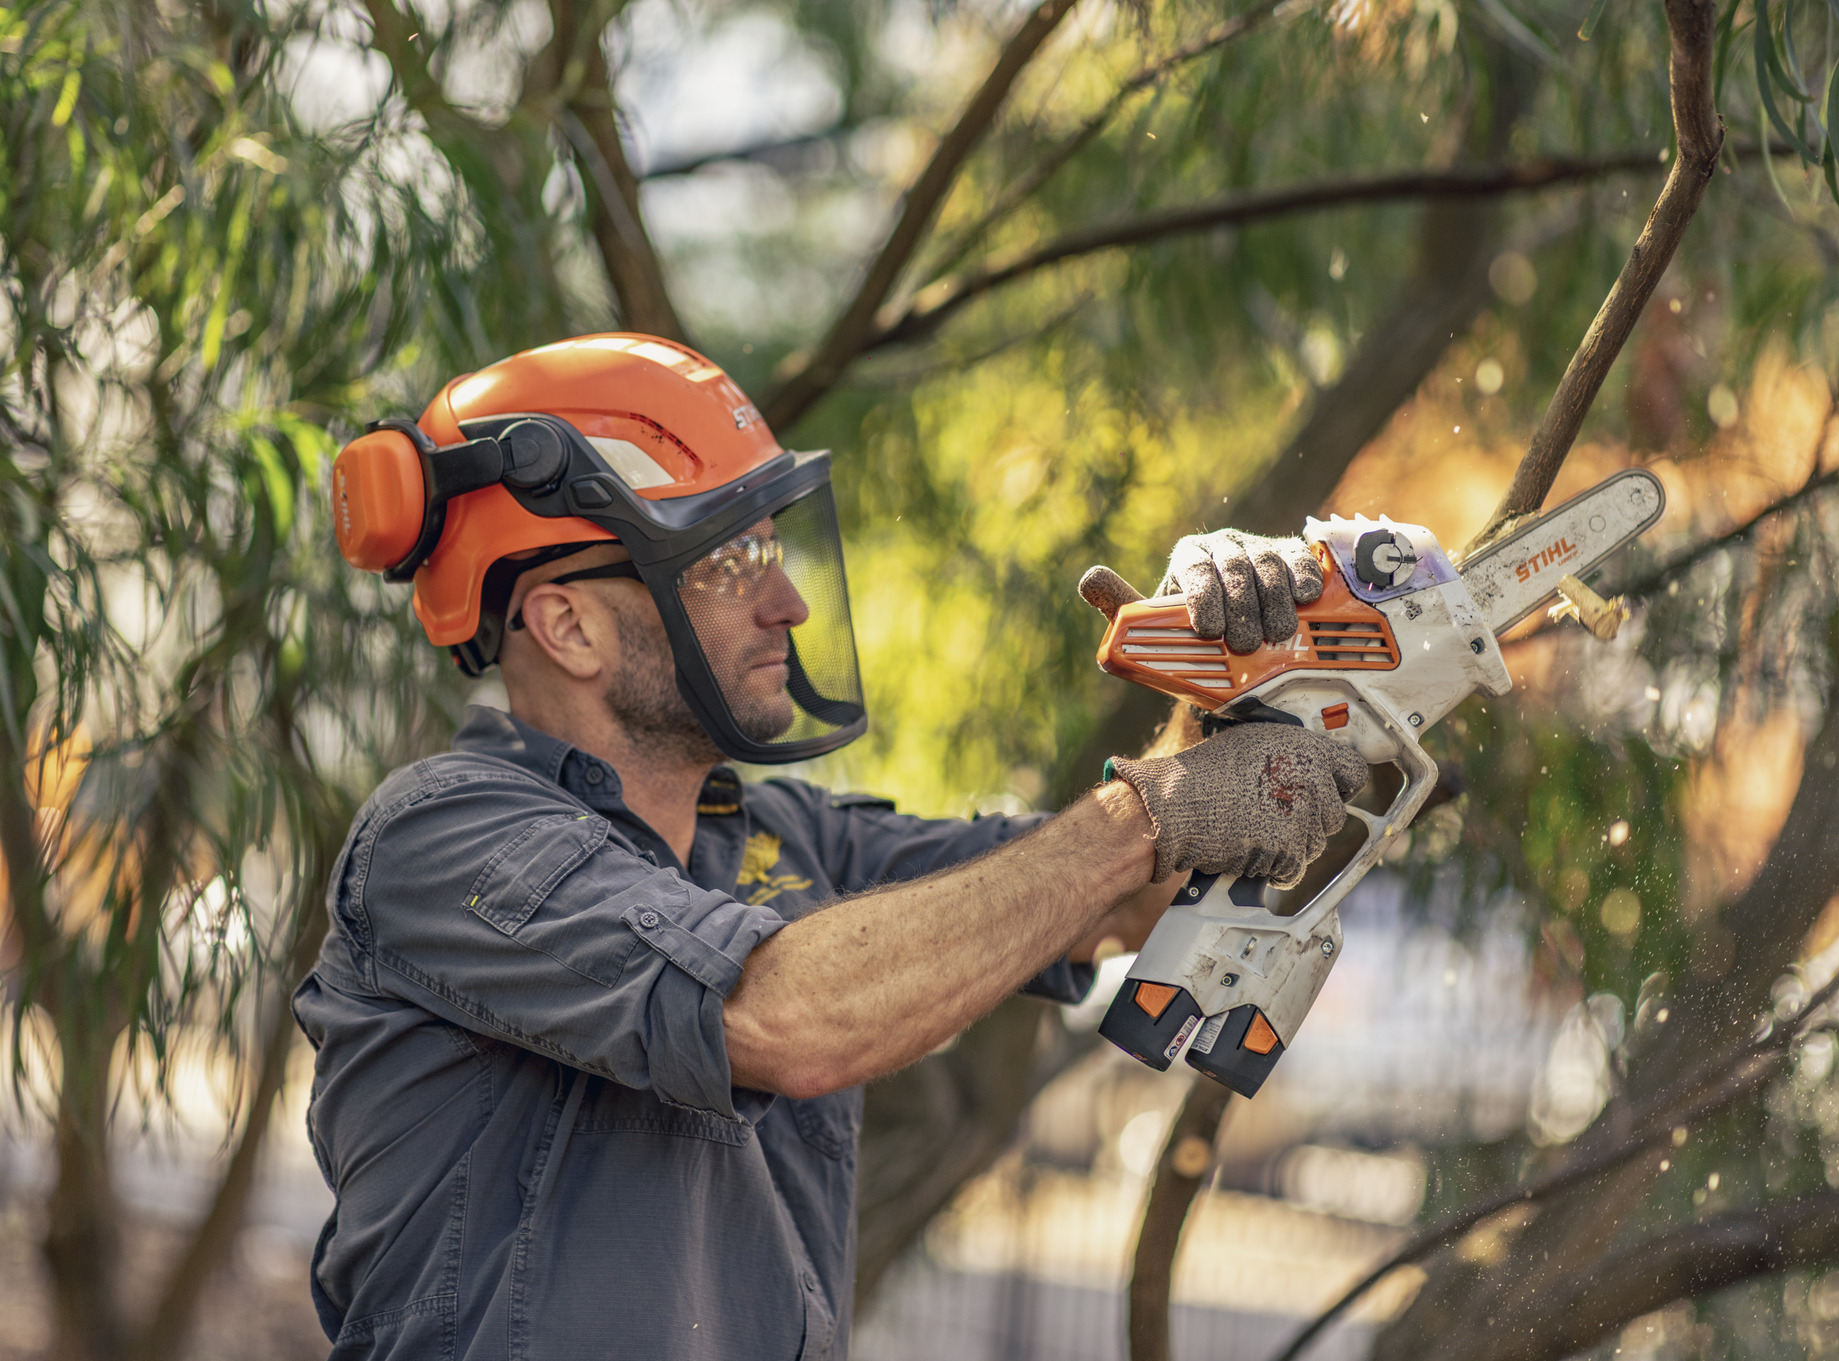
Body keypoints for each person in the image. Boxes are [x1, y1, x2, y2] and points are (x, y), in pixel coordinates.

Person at [298, 333, 1364, 1360]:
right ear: (568, 624)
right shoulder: (442, 840)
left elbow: (1125, 895)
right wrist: (1150, 809)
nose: (789, 602)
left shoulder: (787, 842)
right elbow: (775, 1013)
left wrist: (1228, 693)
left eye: (773, 547)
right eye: (727, 562)